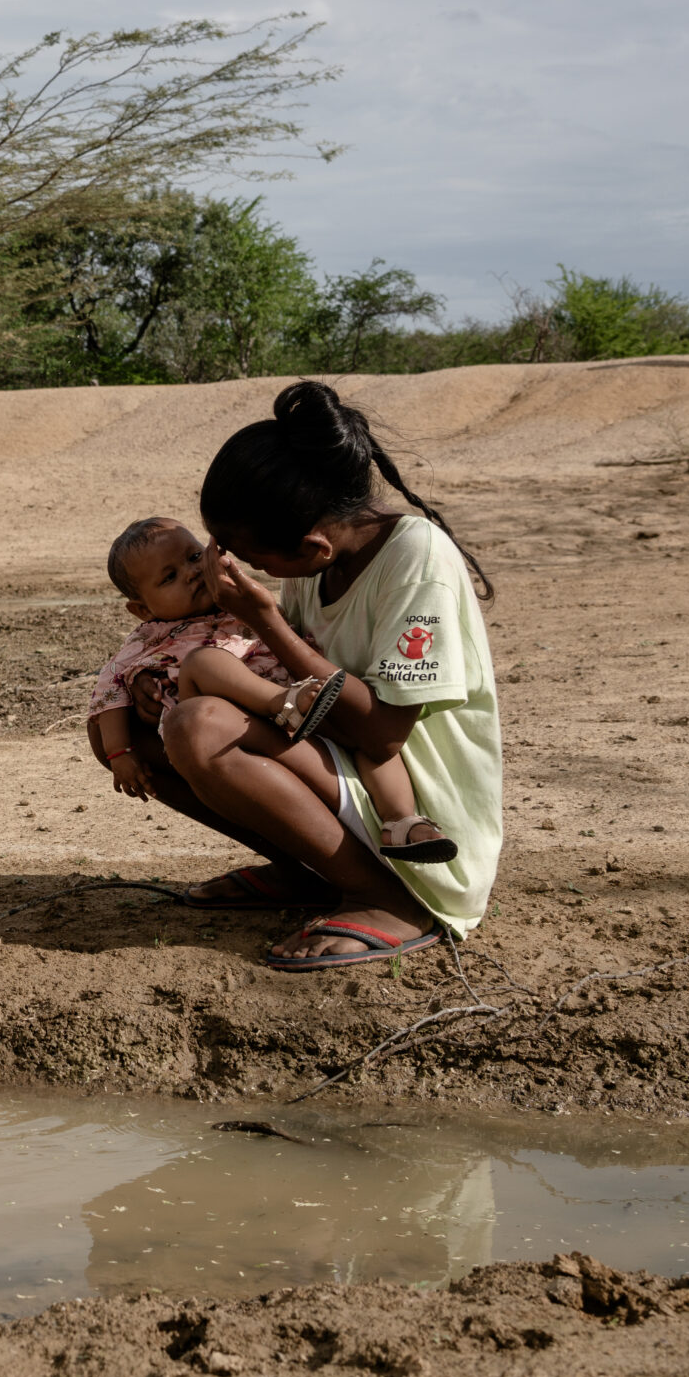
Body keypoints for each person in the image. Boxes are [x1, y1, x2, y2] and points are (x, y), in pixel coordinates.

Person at [116, 381, 501, 970]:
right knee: (140, 737)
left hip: (415, 813)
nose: (242, 568)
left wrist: (266, 618)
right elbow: (277, 675)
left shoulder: (415, 560)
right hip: (339, 761)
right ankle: (313, 872)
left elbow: (383, 735)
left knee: (198, 726)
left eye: (256, 558)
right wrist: (153, 680)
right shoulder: (316, 566)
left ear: (314, 545)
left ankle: (389, 899)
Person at [90, 516, 455, 864]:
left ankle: (402, 822)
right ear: (141, 609)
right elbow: (110, 693)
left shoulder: (236, 598)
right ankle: (280, 702)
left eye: (194, 556)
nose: (191, 573)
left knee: (370, 745)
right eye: (170, 577)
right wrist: (119, 751)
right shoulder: (146, 638)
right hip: (233, 719)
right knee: (204, 661)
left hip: (303, 704)